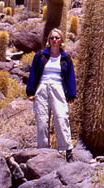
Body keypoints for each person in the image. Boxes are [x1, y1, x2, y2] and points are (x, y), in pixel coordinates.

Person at [26, 28, 76, 162]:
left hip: (58, 88)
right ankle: (43, 153)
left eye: (57, 38)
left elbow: (70, 77)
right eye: (52, 38)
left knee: (61, 118)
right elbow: (33, 73)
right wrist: (30, 92)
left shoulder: (65, 58)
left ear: (61, 40)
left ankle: (67, 150)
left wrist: (71, 94)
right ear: (48, 40)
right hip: (42, 88)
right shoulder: (40, 55)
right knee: (42, 121)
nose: (54, 40)